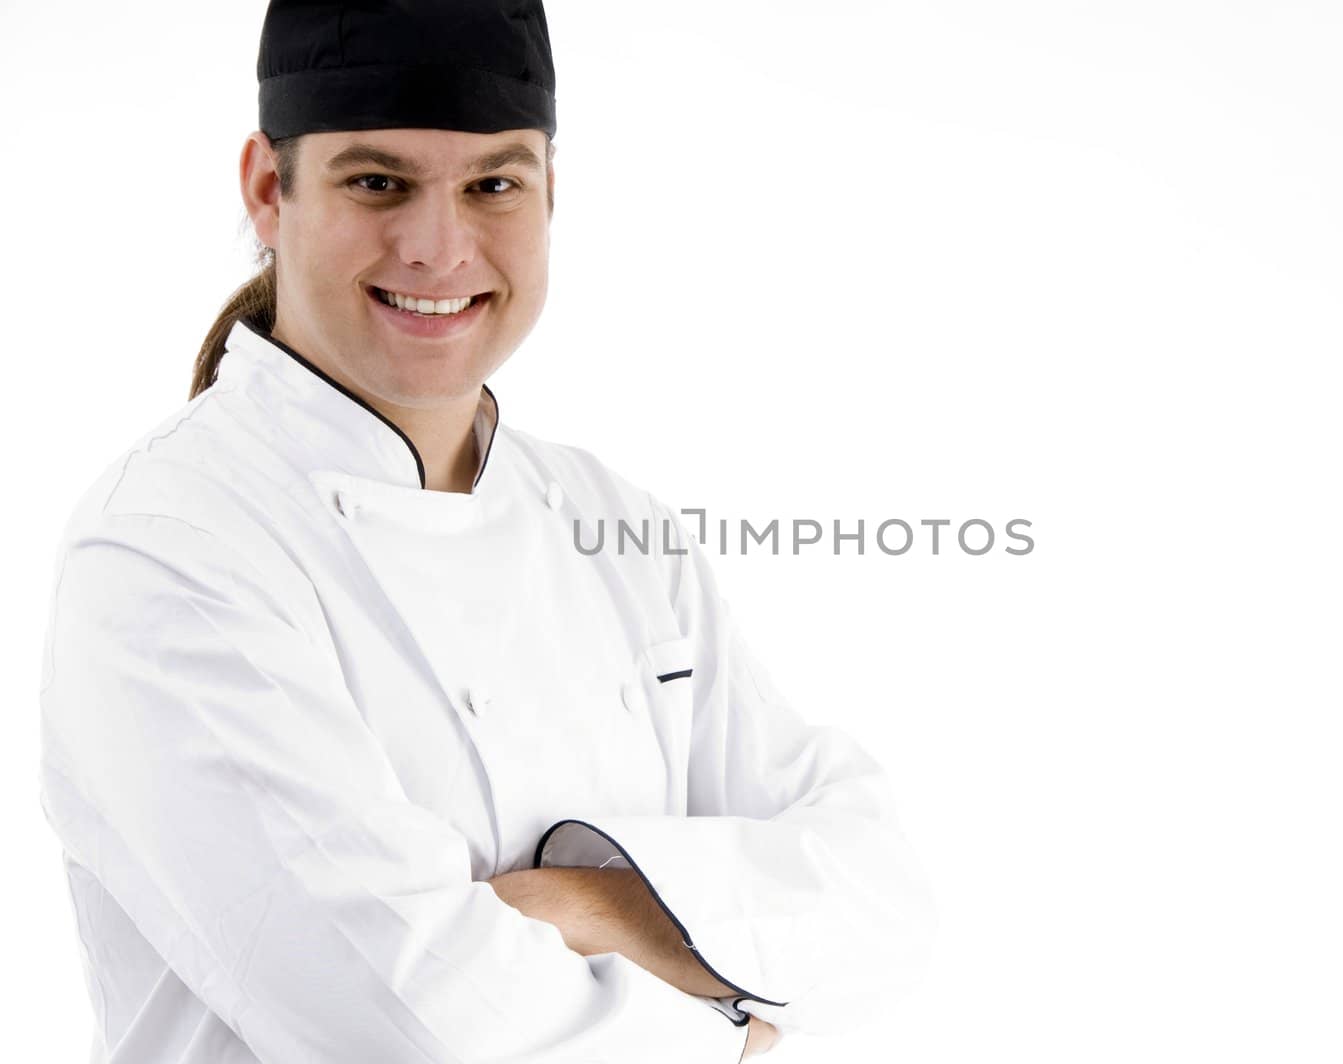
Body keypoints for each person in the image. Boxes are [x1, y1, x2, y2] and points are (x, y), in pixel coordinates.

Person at [36, 2, 936, 1061]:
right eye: (378, 182)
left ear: (550, 191)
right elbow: (411, 1028)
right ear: (269, 191)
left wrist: (593, 906)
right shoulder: (167, 548)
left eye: (492, 185)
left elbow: (884, 904)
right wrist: (725, 1015)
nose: (437, 247)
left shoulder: (613, 523)